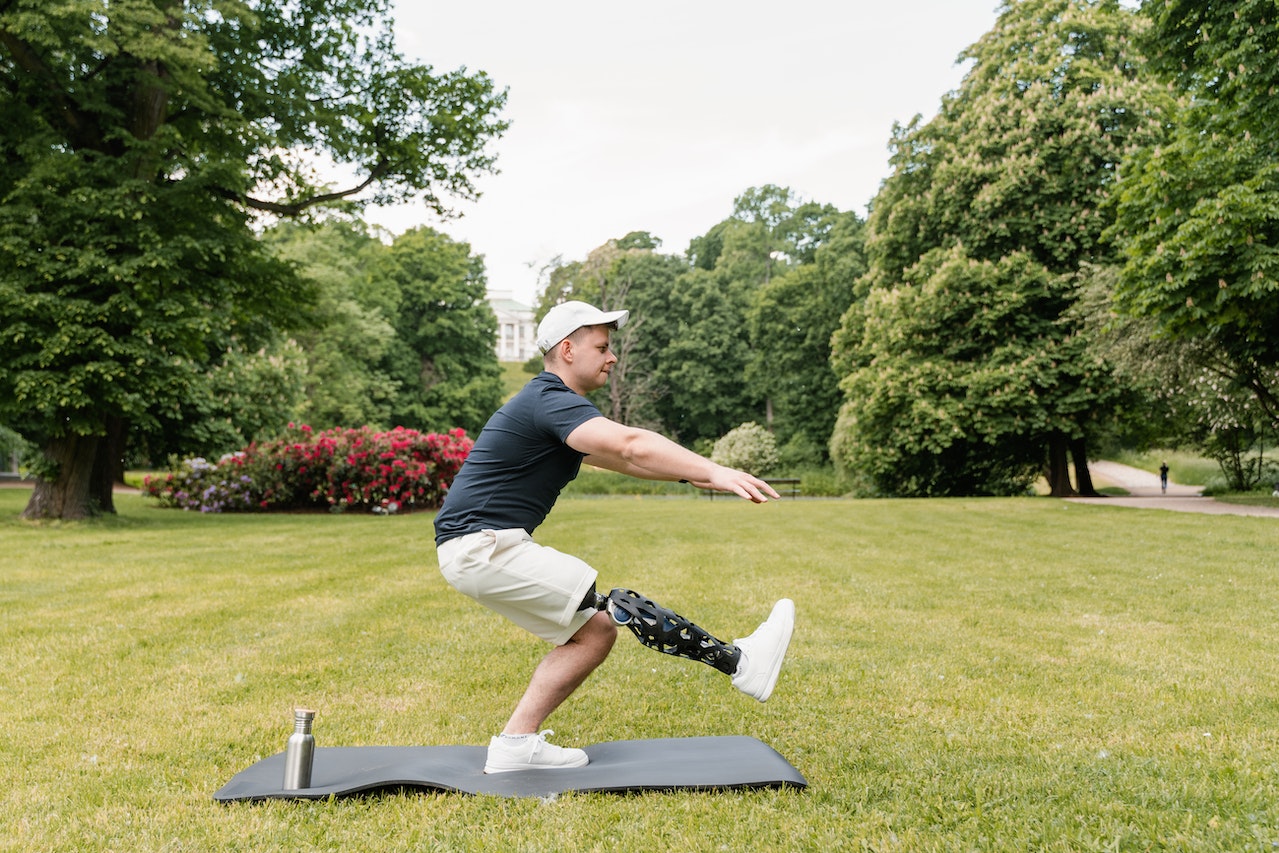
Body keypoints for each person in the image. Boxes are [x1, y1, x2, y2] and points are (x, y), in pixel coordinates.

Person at [433, 301, 795, 774]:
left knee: (596, 628)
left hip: (477, 548)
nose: (612, 357)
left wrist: (694, 477)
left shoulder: (550, 407)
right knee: (618, 607)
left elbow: (626, 460)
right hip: (482, 547)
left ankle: (515, 744)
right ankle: (742, 665)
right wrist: (714, 469)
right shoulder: (550, 400)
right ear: (567, 349)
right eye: (602, 347)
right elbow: (630, 444)